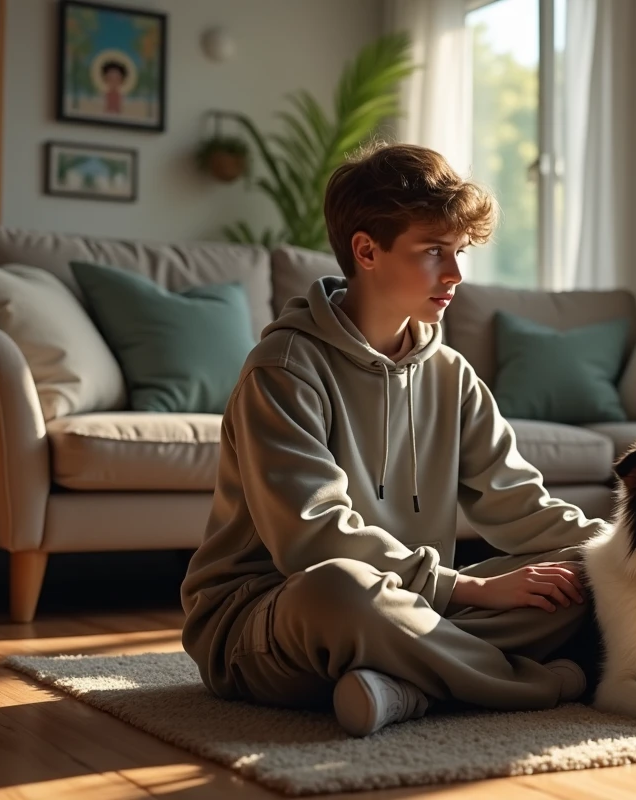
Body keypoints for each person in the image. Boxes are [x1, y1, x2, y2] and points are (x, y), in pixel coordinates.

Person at [180, 140, 608, 737]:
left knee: (592, 573)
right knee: (342, 587)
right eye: (435, 252)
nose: (456, 274)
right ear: (366, 250)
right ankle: (550, 683)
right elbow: (311, 539)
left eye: (459, 252)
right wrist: (473, 589)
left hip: (414, 612)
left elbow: (521, 508)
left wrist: (628, 549)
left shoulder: (452, 375)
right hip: (271, 620)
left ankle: (405, 686)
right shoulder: (283, 368)